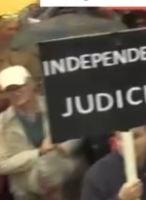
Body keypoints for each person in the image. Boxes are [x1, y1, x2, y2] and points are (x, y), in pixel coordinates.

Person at [0, 66, 85, 200]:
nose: (15, 93)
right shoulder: (2, 122)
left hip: (67, 183)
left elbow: (78, 133)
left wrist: (60, 144)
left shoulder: (57, 106)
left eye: (19, 86)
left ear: (32, 84)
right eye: (9, 89)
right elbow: (2, 164)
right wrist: (38, 152)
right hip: (27, 192)